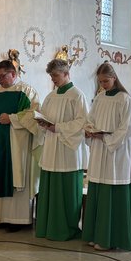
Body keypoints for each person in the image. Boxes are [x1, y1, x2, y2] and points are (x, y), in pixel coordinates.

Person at [82, 62, 131, 251]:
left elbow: (127, 127)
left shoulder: (124, 99)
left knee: (113, 188)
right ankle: (96, 235)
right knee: (98, 188)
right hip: (100, 149)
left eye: (106, 81)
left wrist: (107, 137)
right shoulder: (99, 98)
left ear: (114, 78)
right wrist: (90, 131)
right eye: (100, 82)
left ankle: (113, 238)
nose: (103, 85)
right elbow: (90, 120)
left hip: (118, 151)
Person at [0, 59, 41, 231]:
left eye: (2, 76)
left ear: (13, 74)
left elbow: (33, 114)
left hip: (17, 144)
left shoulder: (26, 91)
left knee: (15, 175)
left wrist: (12, 118)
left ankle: (18, 220)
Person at [35, 59, 88, 241]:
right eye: (51, 76)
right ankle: (47, 227)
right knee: (49, 190)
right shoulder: (51, 96)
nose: (53, 79)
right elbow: (44, 116)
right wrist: (41, 121)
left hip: (68, 151)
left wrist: (57, 127)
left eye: (56, 76)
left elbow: (82, 122)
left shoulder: (77, 95)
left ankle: (66, 229)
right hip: (51, 147)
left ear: (66, 74)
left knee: (66, 192)